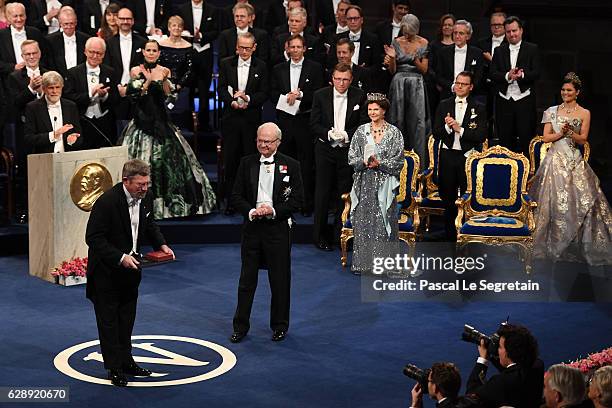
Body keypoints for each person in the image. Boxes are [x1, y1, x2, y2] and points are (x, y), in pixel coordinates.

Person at [85, 158, 174, 387]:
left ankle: (127, 361)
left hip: (131, 272)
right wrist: (120, 257)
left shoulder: (145, 198)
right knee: (109, 322)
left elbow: (149, 224)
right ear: (126, 181)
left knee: (126, 320)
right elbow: (93, 238)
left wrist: (161, 245)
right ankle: (114, 368)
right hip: (106, 273)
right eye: (140, 184)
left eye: (147, 184)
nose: (144, 188)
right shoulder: (107, 202)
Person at [119, 39, 216, 219]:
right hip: (141, 121)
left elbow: (169, 94)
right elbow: (134, 95)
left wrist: (162, 80)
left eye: (154, 50)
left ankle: (167, 207)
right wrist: (148, 81)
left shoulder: (165, 71)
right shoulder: (135, 71)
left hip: (162, 120)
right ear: (144, 52)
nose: (151, 53)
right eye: (148, 50)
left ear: (158, 53)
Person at [229, 122, 304, 343]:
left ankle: (280, 326)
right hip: (252, 228)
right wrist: (251, 211)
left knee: (279, 281)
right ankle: (240, 327)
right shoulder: (246, 163)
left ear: (278, 143)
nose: (263, 145)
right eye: (260, 140)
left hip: (278, 228)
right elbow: (235, 196)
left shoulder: (292, 165)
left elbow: (298, 200)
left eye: (268, 142)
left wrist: (273, 211)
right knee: (246, 281)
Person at [529, 72, 612, 265]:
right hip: (555, 160)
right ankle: (552, 243)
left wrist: (571, 133)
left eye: (569, 90)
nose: (565, 93)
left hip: (574, 158)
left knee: (584, 198)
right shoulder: (551, 110)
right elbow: (546, 138)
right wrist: (561, 133)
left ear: (577, 93)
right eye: (563, 90)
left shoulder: (584, 113)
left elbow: (583, 139)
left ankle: (577, 243)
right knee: (552, 201)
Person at [310, 62, 367, 251]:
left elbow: (363, 124)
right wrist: (328, 133)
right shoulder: (320, 95)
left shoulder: (360, 96)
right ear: (332, 79)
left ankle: (341, 235)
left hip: (348, 151)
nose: (341, 83)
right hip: (325, 150)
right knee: (322, 193)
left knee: (345, 193)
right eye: (337, 79)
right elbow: (313, 124)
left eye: (345, 80)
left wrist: (346, 135)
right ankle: (319, 236)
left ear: (351, 80)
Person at [347, 95, 403, 275]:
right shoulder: (361, 131)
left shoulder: (394, 132)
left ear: (384, 110)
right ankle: (363, 264)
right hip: (365, 183)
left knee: (383, 221)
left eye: (376, 109)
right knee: (364, 223)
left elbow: (399, 161)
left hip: (385, 183)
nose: (372, 112)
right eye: (370, 109)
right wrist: (363, 162)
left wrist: (381, 164)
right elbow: (351, 157)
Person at [270, 34, 323, 216]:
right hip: (285, 122)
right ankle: (284, 202)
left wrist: (300, 96)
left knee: (305, 165)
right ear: (287, 48)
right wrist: (287, 98)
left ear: (304, 48)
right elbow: (272, 93)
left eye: (298, 47)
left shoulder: (315, 68)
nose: (295, 50)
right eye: (292, 47)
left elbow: (318, 94)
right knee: (284, 164)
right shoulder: (278, 69)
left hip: (305, 122)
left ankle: (305, 204)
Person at [218, 32, 268, 215]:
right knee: (231, 161)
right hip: (231, 119)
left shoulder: (261, 66)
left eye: (248, 48)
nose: (244, 51)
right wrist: (230, 101)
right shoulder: (226, 63)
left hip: (251, 120)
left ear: (254, 48)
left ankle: (249, 200)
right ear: (236, 47)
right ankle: (231, 201)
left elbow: (264, 93)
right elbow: (221, 88)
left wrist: (248, 99)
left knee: (251, 160)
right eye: (241, 48)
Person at [433, 71, 487, 241]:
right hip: (448, 155)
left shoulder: (479, 107)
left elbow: (480, 135)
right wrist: (448, 128)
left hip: (467, 156)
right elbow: (436, 133)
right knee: (447, 195)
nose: (459, 86)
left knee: (466, 194)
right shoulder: (444, 104)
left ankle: (465, 233)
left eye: (464, 84)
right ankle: (449, 234)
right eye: (458, 83)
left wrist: (460, 129)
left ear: (470, 87)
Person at [490, 15, 540, 155]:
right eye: (508, 32)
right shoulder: (499, 51)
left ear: (521, 30)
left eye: (514, 30)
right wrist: (507, 76)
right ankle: (507, 172)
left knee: (526, 137)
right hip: (504, 100)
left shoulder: (532, 49)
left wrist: (522, 75)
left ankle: (526, 172)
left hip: (524, 99)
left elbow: (537, 73)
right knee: (505, 139)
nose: (512, 34)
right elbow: (492, 74)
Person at [384, 13, 430, 161]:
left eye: (410, 33)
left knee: (417, 123)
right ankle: (395, 161)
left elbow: (424, 70)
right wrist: (391, 58)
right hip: (398, 83)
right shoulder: (396, 42)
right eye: (405, 32)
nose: (407, 36)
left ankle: (418, 165)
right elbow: (392, 71)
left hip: (417, 84)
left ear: (416, 30)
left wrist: (415, 59)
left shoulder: (423, 43)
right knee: (397, 120)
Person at [466, 323, 545, 408]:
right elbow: (514, 369)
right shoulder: (538, 366)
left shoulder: (500, 382)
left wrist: (483, 359)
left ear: (508, 353)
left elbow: (471, 395)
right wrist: (493, 354)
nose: (497, 349)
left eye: (499, 347)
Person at [64, 36, 118, 148]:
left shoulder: (110, 72)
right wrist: (90, 94)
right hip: (81, 122)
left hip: (104, 124)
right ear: (85, 51)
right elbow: (68, 97)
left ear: (103, 54)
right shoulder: (73, 73)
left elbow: (116, 99)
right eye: (91, 52)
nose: (94, 56)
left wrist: (105, 96)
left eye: (98, 53)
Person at [175, 0, 219, 132]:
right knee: (188, 89)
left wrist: (201, 36)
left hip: (205, 53)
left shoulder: (212, 9)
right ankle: (188, 122)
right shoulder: (181, 8)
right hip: (188, 51)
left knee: (204, 89)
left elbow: (216, 31)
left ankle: (204, 124)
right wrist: (189, 36)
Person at [23, 70, 84, 153]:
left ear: (62, 87)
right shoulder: (33, 108)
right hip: (44, 159)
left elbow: (79, 135)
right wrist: (53, 135)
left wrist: (72, 140)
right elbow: (28, 138)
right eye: (51, 88)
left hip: (66, 158)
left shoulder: (71, 106)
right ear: (44, 89)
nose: (54, 91)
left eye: (57, 87)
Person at [433, 20, 484, 101]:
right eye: (455, 33)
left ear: (468, 36)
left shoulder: (477, 53)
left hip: (471, 97)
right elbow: (438, 76)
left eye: (461, 33)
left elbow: (479, 76)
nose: (457, 36)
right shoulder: (443, 52)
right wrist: (453, 87)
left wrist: (467, 88)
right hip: (448, 96)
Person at [158, 15, 193, 127]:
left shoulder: (188, 46)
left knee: (180, 120)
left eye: (179, 26)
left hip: (181, 88)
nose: (177, 28)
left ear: (183, 29)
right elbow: (158, 66)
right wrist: (166, 84)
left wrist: (179, 85)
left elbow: (189, 69)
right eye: (174, 25)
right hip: (163, 86)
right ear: (169, 28)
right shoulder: (161, 45)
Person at [47, 7, 89, 80]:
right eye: (66, 24)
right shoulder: (51, 41)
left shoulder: (85, 39)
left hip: (80, 81)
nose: (69, 27)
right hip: (59, 82)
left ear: (76, 23)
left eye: (72, 23)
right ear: (60, 24)